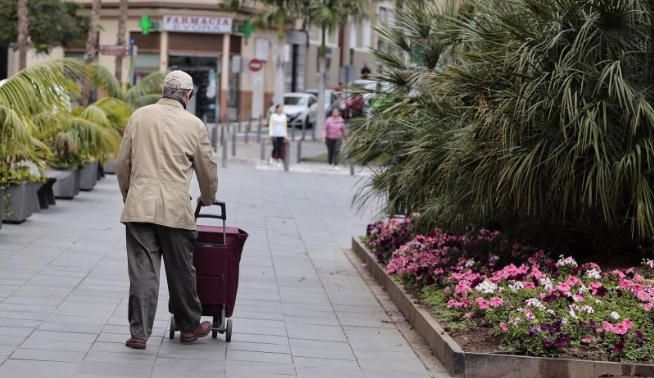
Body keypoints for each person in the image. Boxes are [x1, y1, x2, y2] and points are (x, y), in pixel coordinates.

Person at [116, 70, 218, 349]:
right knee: (182, 270)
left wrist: (130, 196)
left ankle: (139, 333)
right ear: (189, 95)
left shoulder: (139, 116)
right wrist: (207, 198)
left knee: (142, 273)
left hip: (139, 207)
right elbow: (207, 169)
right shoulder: (194, 125)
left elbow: (123, 163)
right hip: (175, 209)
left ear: (162, 90)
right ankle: (188, 327)